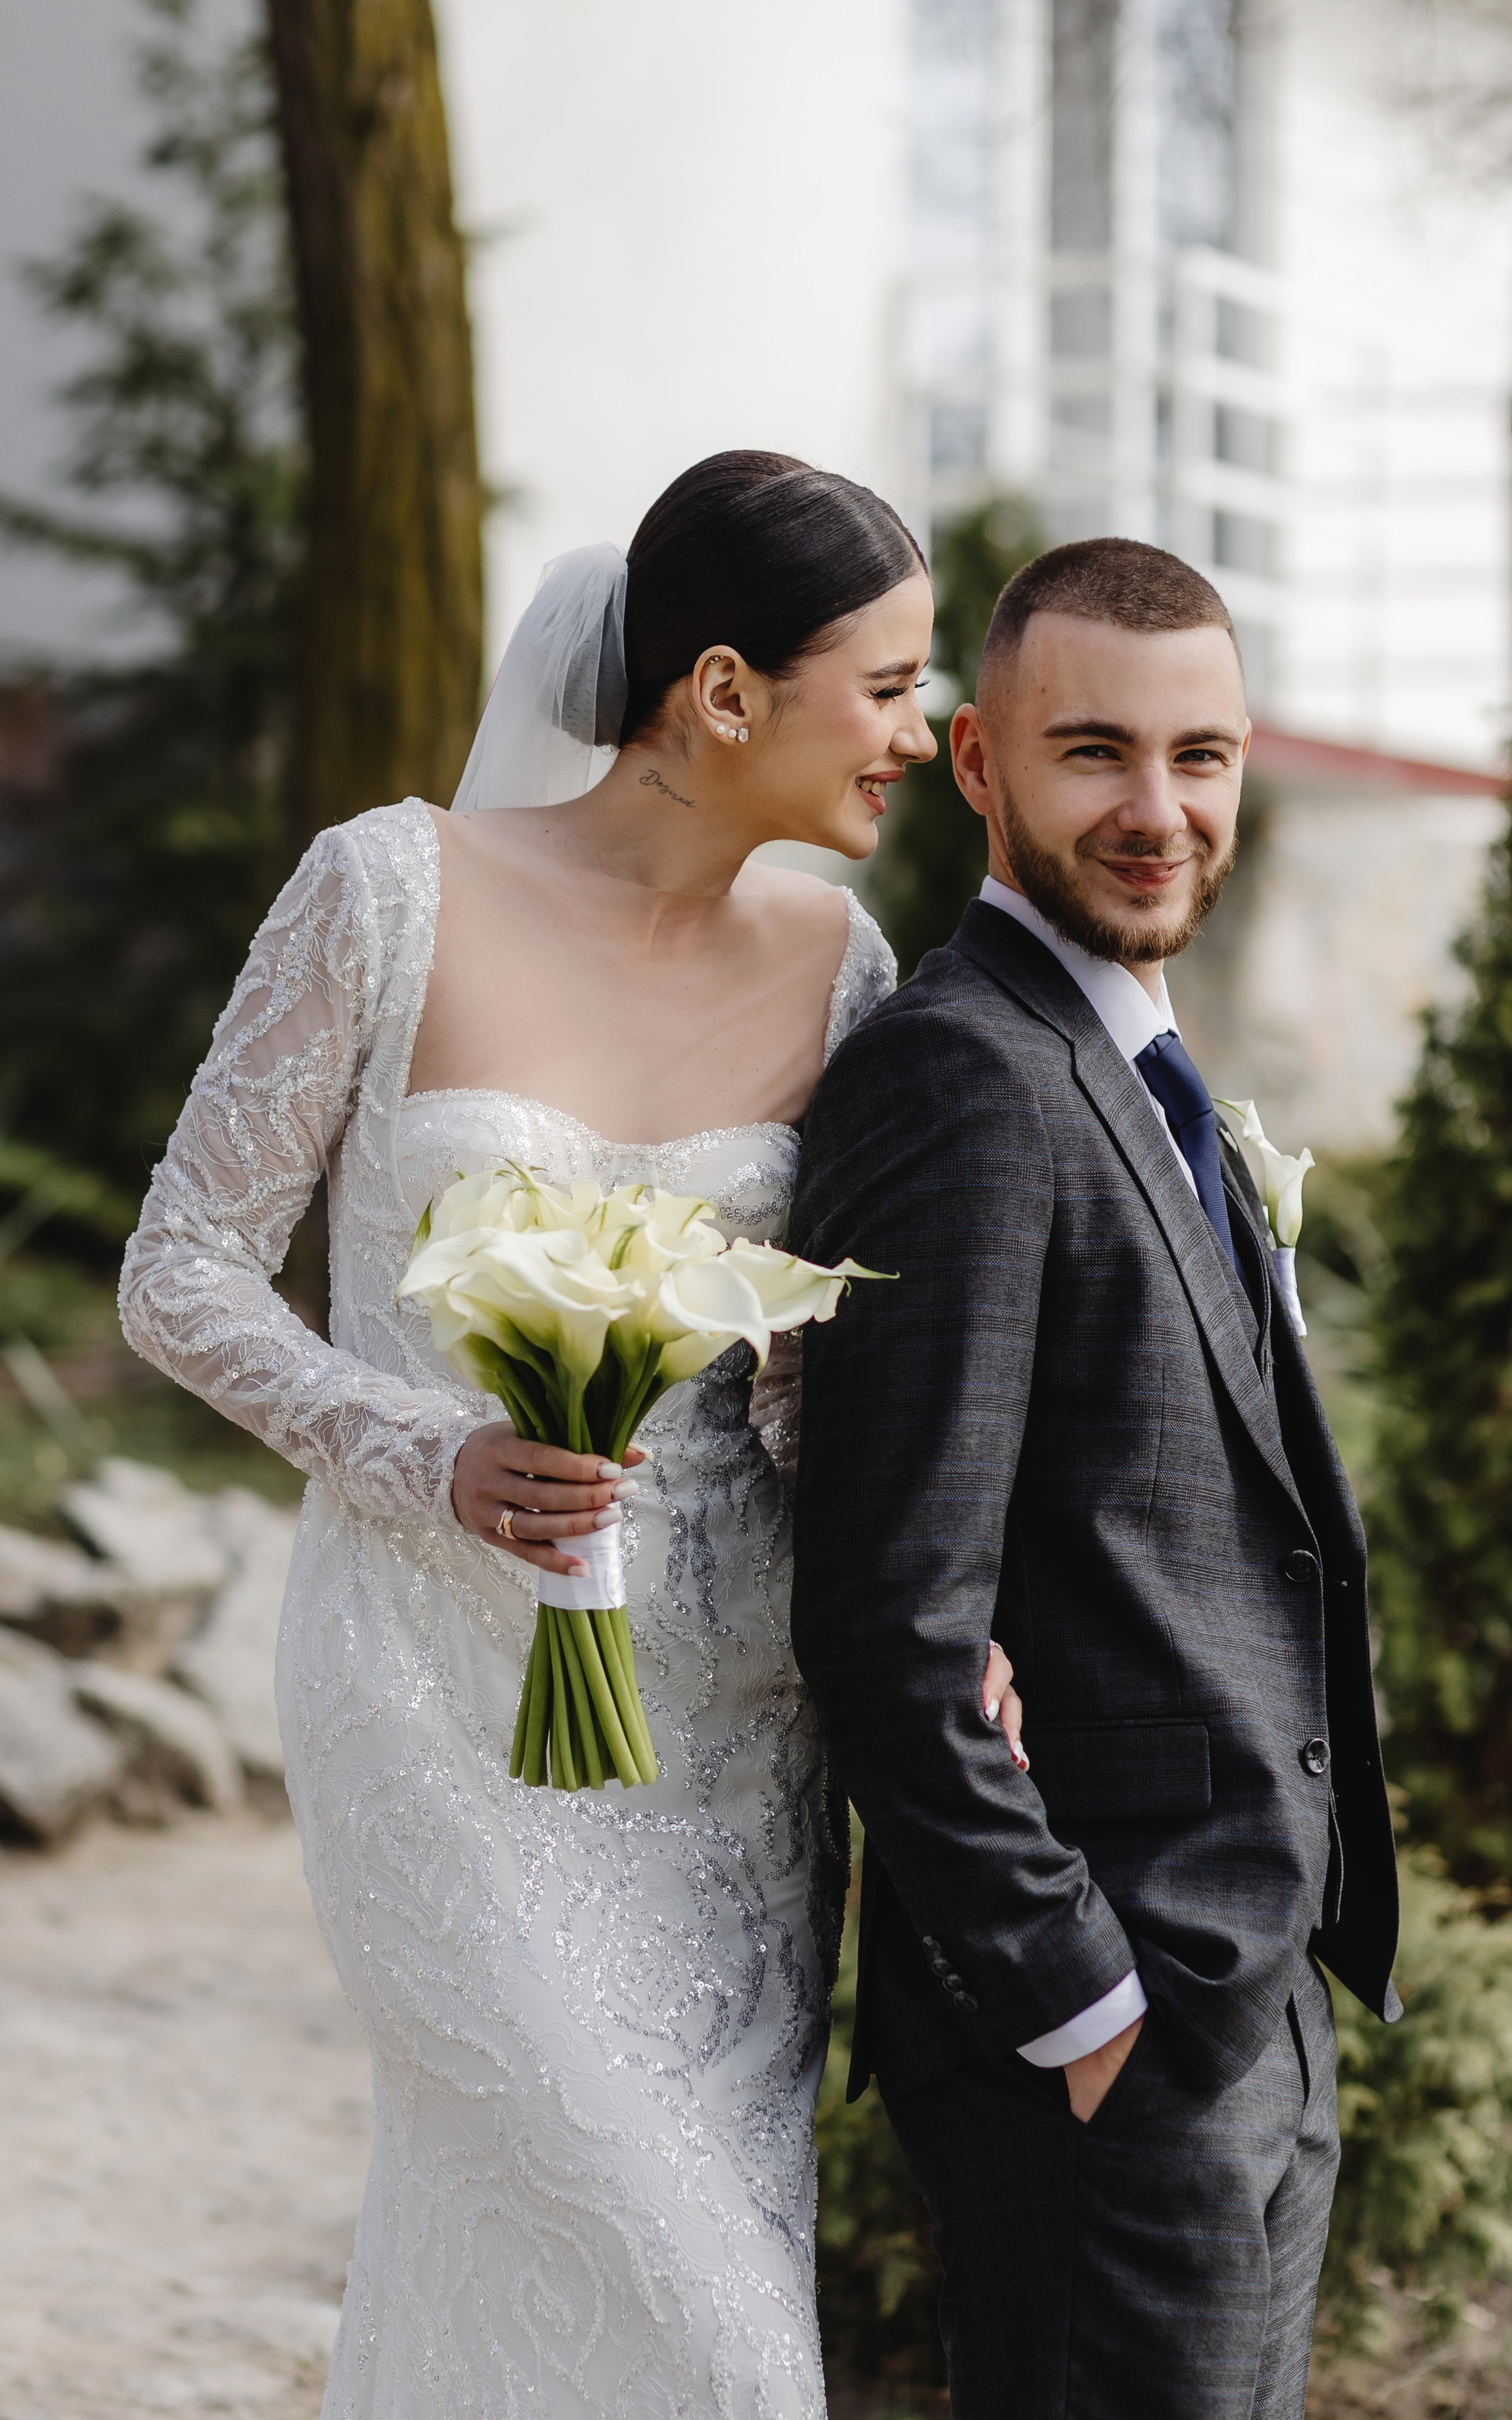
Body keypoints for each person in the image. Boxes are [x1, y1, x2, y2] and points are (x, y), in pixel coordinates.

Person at [119, 450, 1024, 2419]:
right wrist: (413, 1447)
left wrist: (946, 1614)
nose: (920, 729)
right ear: (719, 694)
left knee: (645, 2267)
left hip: (730, 1736)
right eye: (883, 684)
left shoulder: (843, 971)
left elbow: (807, 1385)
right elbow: (178, 1273)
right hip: (434, 1698)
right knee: (689, 2319)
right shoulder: (386, 890)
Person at [788, 538, 1400, 2420]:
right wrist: (1087, 2005)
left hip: (1247, 2007)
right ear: (975, 763)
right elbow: (893, 1619)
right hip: (1111, 2040)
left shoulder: (1137, 1069)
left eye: (1200, 757)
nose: (1159, 812)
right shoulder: (961, 1080)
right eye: (1095, 755)